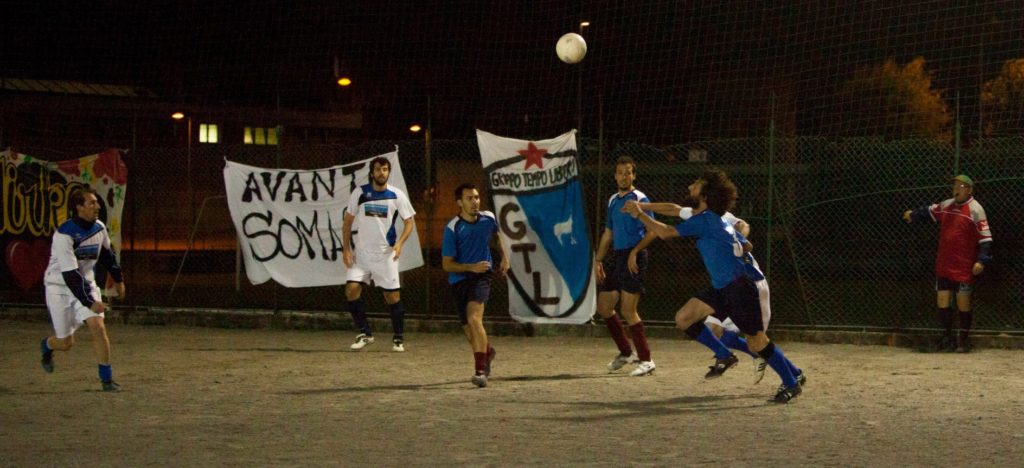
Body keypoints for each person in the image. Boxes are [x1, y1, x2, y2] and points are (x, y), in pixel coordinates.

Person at [623, 169, 805, 403]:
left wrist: (639, 214)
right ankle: (724, 354)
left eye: (695, 185)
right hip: (723, 287)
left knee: (757, 341)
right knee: (684, 318)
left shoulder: (708, 219)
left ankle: (792, 381)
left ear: (706, 195)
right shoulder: (709, 218)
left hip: (740, 288)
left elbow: (667, 232)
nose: (690, 187)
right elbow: (744, 243)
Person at [39, 187, 126, 392]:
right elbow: (70, 276)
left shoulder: (98, 227)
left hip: (85, 284)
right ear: (79, 207)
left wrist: (118, 279)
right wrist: (90, 302)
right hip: (59, 288)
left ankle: (106, 380)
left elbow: (106, 255)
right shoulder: (64, 235)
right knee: (66, 343)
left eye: (96, 202)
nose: (97, 206)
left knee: (98, 326)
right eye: (92, 203)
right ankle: (47, 346)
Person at [903, 174, 992, 353]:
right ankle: (947, 338)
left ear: (969, 190)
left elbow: (985, 238)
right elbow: (929, 210)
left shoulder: (975, 209)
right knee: (942, 300)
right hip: (944, 264)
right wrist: (913, 214)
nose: (956, 189)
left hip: (963, 265)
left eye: (961, 186)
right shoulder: (947, 205)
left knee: (962, 302)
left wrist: (981, 260)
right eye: (955, 186)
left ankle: (963, 340)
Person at [342, 156, 417, 352]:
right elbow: (347, 222)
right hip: (362, 256)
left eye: (384, 169)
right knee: (351, 290)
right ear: (372, 172)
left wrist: (399, 243)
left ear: (388, 172)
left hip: (386, 255)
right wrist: (346, 249)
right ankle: (365, 333)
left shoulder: (397, 195)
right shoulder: (360, 193)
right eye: (377, 169)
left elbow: (409, 221)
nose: (381, 173)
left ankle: (398, 338)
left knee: (392, 297)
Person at [441, 184, 510, 387]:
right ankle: (487, 352)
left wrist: (505, 257)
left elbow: (497, 236)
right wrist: (471, 267)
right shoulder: (453, 228)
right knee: (469, 331)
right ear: (459, 202)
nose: (475, 202)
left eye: (477, 197)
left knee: (474, 318)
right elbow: (447, 264)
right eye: (469, 198)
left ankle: (480, 371)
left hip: (482, 277)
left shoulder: (488, 218)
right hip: (459, 278)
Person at [593, 156, 656, 376]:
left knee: (628, 310)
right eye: (620, 172)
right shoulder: (613, 200)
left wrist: (635, 252)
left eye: (628, 172)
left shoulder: (640, 199)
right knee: (604, 306)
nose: (624, 176)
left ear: (634, 175)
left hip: (635, 257)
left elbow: (653, 230)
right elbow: (608, 233)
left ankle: (646, 360)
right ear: (615, 176)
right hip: (617, 257)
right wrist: (598, 260)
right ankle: (626, 352)